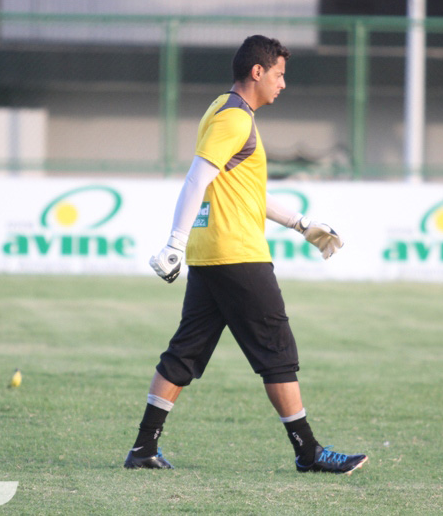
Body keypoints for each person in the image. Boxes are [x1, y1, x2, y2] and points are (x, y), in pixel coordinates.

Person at [124, 35, 367, 475]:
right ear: (257, 72)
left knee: (185, 353)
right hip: (238, 255)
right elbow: (195, 180)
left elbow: (246, 192)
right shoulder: (235, 119)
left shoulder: (223, 109)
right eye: (279, 74)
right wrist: (173, 243)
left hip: (214, 254)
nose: (283, 84)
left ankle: (143, 449)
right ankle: (308, 452)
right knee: (277, 353)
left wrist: (301, 224)